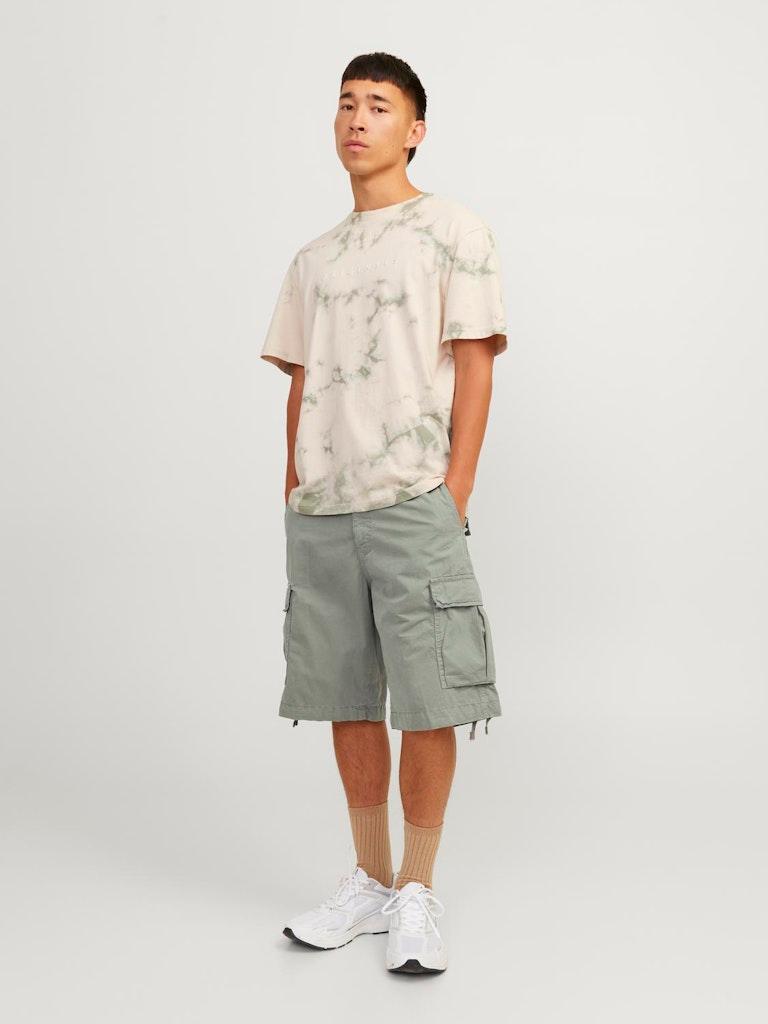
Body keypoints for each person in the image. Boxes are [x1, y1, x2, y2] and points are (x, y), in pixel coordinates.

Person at [260, 51, 508, 974]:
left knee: (430, 695)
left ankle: (416, 890)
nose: (357, 119)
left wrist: (457, 490)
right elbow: (301, 381)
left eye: (377, 105)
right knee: (346, 696)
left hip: (414, 501)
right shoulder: (313, 258)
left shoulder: (452, 230)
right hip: (323, 510)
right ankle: (367, 884)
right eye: (345, 104)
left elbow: (475, 361)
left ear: (415, 129)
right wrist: (293, 485)